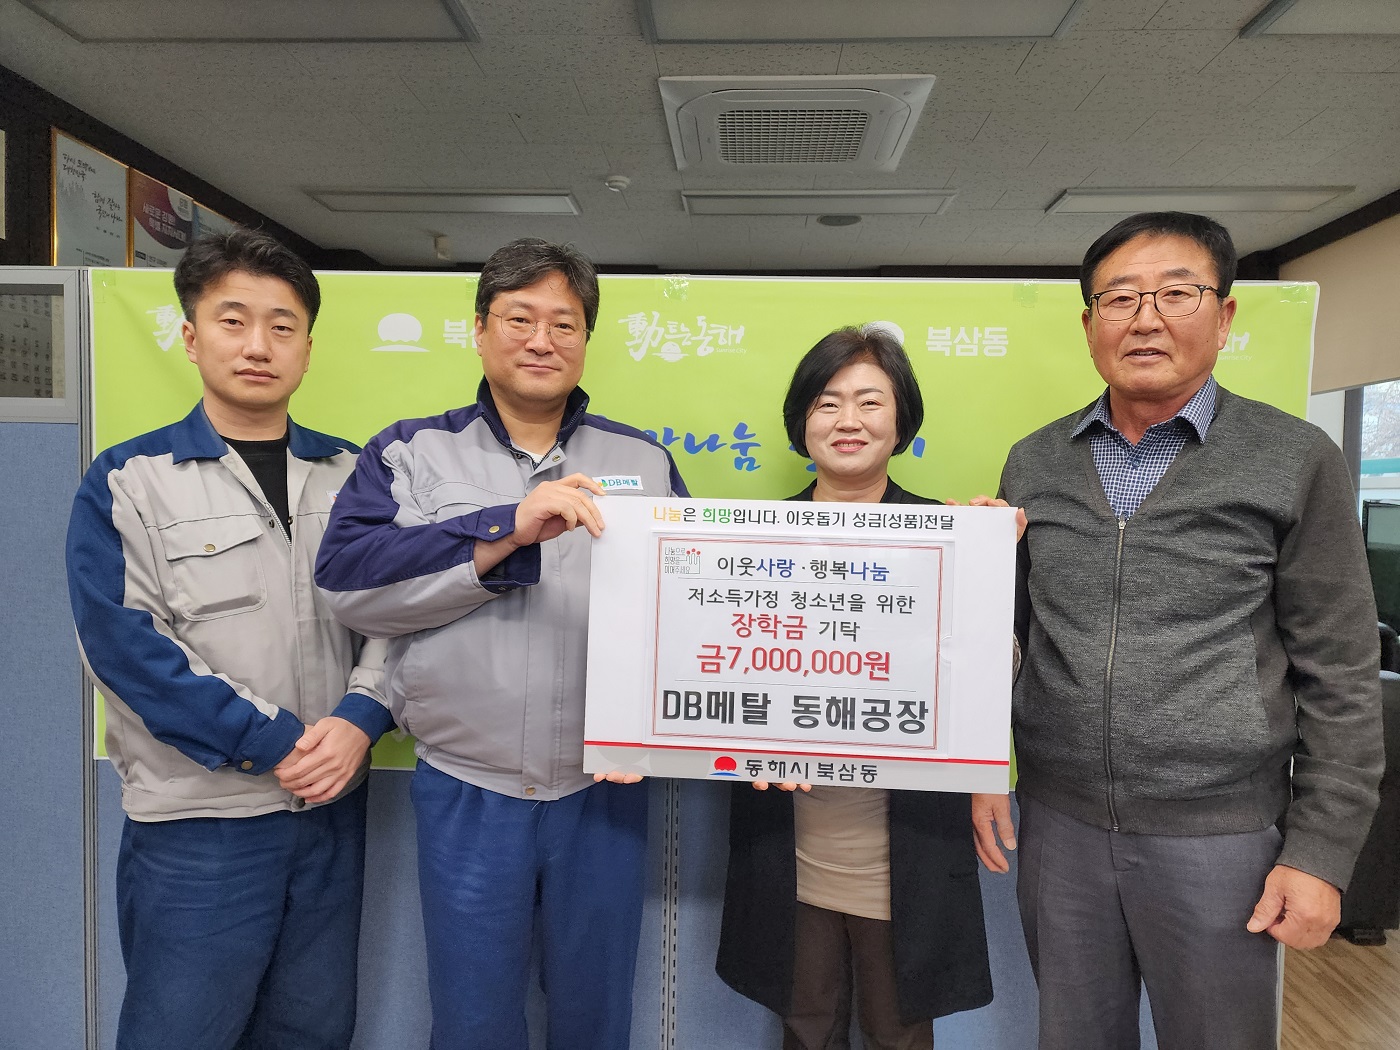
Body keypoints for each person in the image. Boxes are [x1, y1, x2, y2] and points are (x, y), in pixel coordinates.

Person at [976, 211, 1383, 1049]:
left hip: (1222, 836)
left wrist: (1319, 853)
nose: (1146, 319)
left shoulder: (1293, 457)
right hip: (1059, 825)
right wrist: (980, 760)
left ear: (1224, 316)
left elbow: (1342, 672)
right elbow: (1006, 639)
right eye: (1120, 298)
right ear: (1089, 323)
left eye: (1176, 294)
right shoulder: (1034, 460)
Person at [314, 238, 687, 1050]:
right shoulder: (410, 451)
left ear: (585, 339)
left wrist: (663, 733)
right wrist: (502, 533)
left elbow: (687, 616)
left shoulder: (643, 461)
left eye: (564, 323)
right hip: (466, 786)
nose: (541, 339)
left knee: (596, 1016)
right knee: (473, 1018)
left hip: (602, 788)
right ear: (480, 330)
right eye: (520, 318)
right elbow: (346, 585)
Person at [65, 228, 392, 1050]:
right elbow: (127, 649)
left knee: (312, 1031)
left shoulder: (354, 477)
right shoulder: (128, 480)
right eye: (233, 321)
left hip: (330, 814)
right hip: (200, 824)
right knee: (180, 1033)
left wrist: (362, 717)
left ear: (308, 349)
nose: (257, 346)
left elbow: (399, 616)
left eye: (282, 327)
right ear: (191, 336)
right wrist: (277, 741)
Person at [716, 325, 999, 1050]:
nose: (848, 420)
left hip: (906, 841)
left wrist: (995, 567)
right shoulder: (750, 542)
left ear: (901, 422)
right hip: (792, 839)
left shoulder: (952, 535)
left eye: (870, 402)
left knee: (900, 1032)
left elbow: (999, 671)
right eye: (827, 402)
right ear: (801, 423)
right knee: (806, 1025)